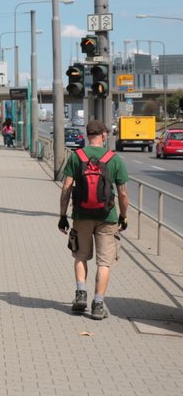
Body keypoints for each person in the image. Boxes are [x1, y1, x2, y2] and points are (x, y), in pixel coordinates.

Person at [57, 119, 129, 320]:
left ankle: (81, 294)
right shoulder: (114, 159)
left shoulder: (76, 157)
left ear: (88, 135)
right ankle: (97, 305)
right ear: (104, 135)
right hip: (108, 217)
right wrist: (123, 216)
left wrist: (62, 216)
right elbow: (123, 194)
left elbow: (66, 188)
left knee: (80, 256)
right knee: (104, 263)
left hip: (81, 215)